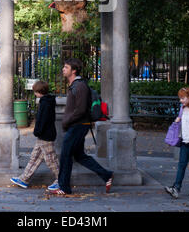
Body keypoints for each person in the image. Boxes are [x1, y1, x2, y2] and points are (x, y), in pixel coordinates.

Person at [48, 58, 113, 196]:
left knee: (65, 155)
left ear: (74, 70)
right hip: (77, 125)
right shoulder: (75, 85)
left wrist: (66, 122)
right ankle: (106, 175)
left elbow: (81, 110)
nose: (63, 69)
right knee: (80, 156)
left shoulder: (80, 86)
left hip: (78, 125)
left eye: (66, 67)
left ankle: (64, 187)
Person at [10, 80, 59, 189]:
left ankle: (61, 180)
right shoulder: (47, 101)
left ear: (38, 92)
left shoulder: (45, 103)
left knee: (51, 160)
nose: (34, 93)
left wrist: (37, 131)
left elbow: (43, 119)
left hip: (45, 135)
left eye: (35, 91)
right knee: (35, 157)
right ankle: (24, 179)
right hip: (45, 134)